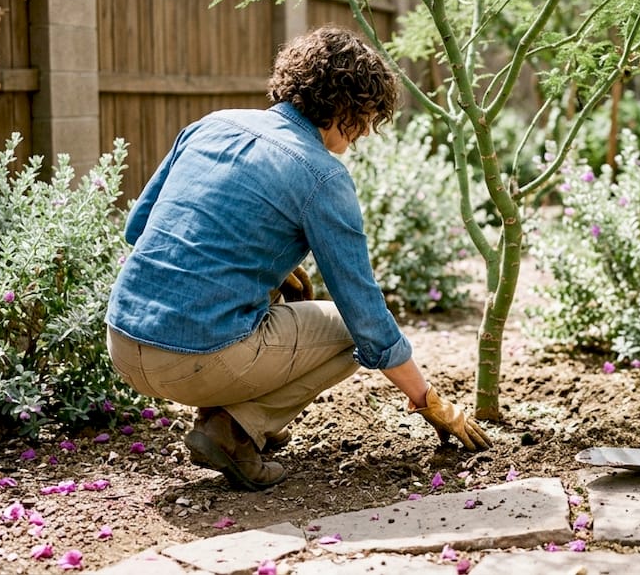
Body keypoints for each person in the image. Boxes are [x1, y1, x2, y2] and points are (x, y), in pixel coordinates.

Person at [105, 26, 490, 491]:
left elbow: (136, 228)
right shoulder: (321, 175)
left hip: (123, 342)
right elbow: (364, 314)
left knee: (292, 290)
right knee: (348, 333)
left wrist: (269, 265)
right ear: (346, 107)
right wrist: (428, 400)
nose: (366, 131)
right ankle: (234, 428)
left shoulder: (211, 124)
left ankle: (229, 419)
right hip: (193, 362)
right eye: (367, 117)